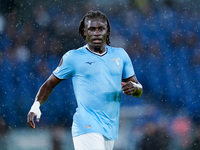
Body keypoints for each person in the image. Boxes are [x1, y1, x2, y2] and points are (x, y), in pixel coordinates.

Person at [27, 10, 143, 150]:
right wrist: (36, 105)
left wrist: (135, 88)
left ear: (107, 31)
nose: (96, 33)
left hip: (110, 127)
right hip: (86, 126)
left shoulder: (121, 55)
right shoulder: (73, 57)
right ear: (84, 32)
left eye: (100, 29)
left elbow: (138, 88)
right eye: (92, 29)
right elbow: (49, 84)